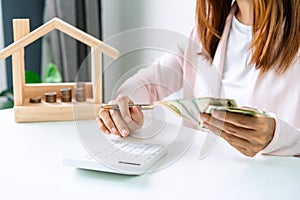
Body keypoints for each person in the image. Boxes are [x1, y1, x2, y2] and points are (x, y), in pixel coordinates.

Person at [97, 0, 300, 157]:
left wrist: (278, 138)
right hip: (206, 181)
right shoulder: (205, 33)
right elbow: (146, 84)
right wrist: (125, 108)